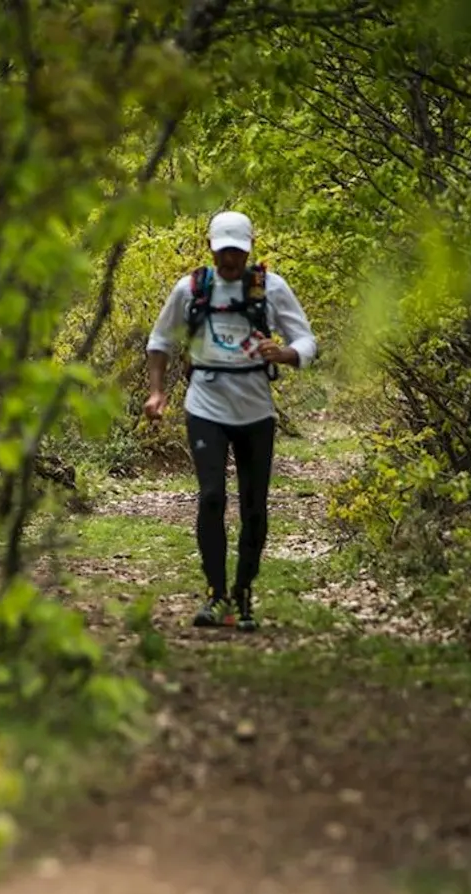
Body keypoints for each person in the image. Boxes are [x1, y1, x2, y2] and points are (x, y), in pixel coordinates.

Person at [143, 210, 318, 631]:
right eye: (223, 251)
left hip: (256, 410)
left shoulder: (270, 289)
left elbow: (306, 340)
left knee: (254, 507)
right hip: (206, 404)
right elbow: (160, 340)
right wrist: (157, 391)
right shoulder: (191, 290)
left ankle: (243, 593)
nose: (230, 259)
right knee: (211, 498)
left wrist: (286, 354)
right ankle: (215, 594)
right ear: (211, 248)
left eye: (237, 251)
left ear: (249, 248)